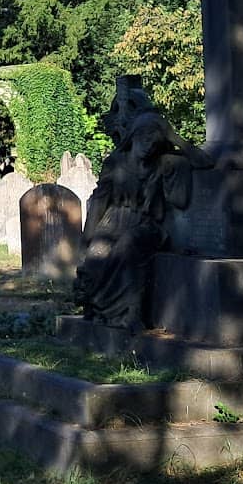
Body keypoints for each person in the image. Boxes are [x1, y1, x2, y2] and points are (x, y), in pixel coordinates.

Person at [74, 78, 212, 329]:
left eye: (156, 138)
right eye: (145, 136)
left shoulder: (167, 164)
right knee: (95, 259)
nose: (150, 143)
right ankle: (102, 312)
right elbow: (99, 202)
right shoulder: (115, 164)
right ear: (133, 136)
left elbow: (202, 166)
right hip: (113, 222)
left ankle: (131, 314)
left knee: (128, 247)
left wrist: (176, 140)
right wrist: (87, 238)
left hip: (146, 226)